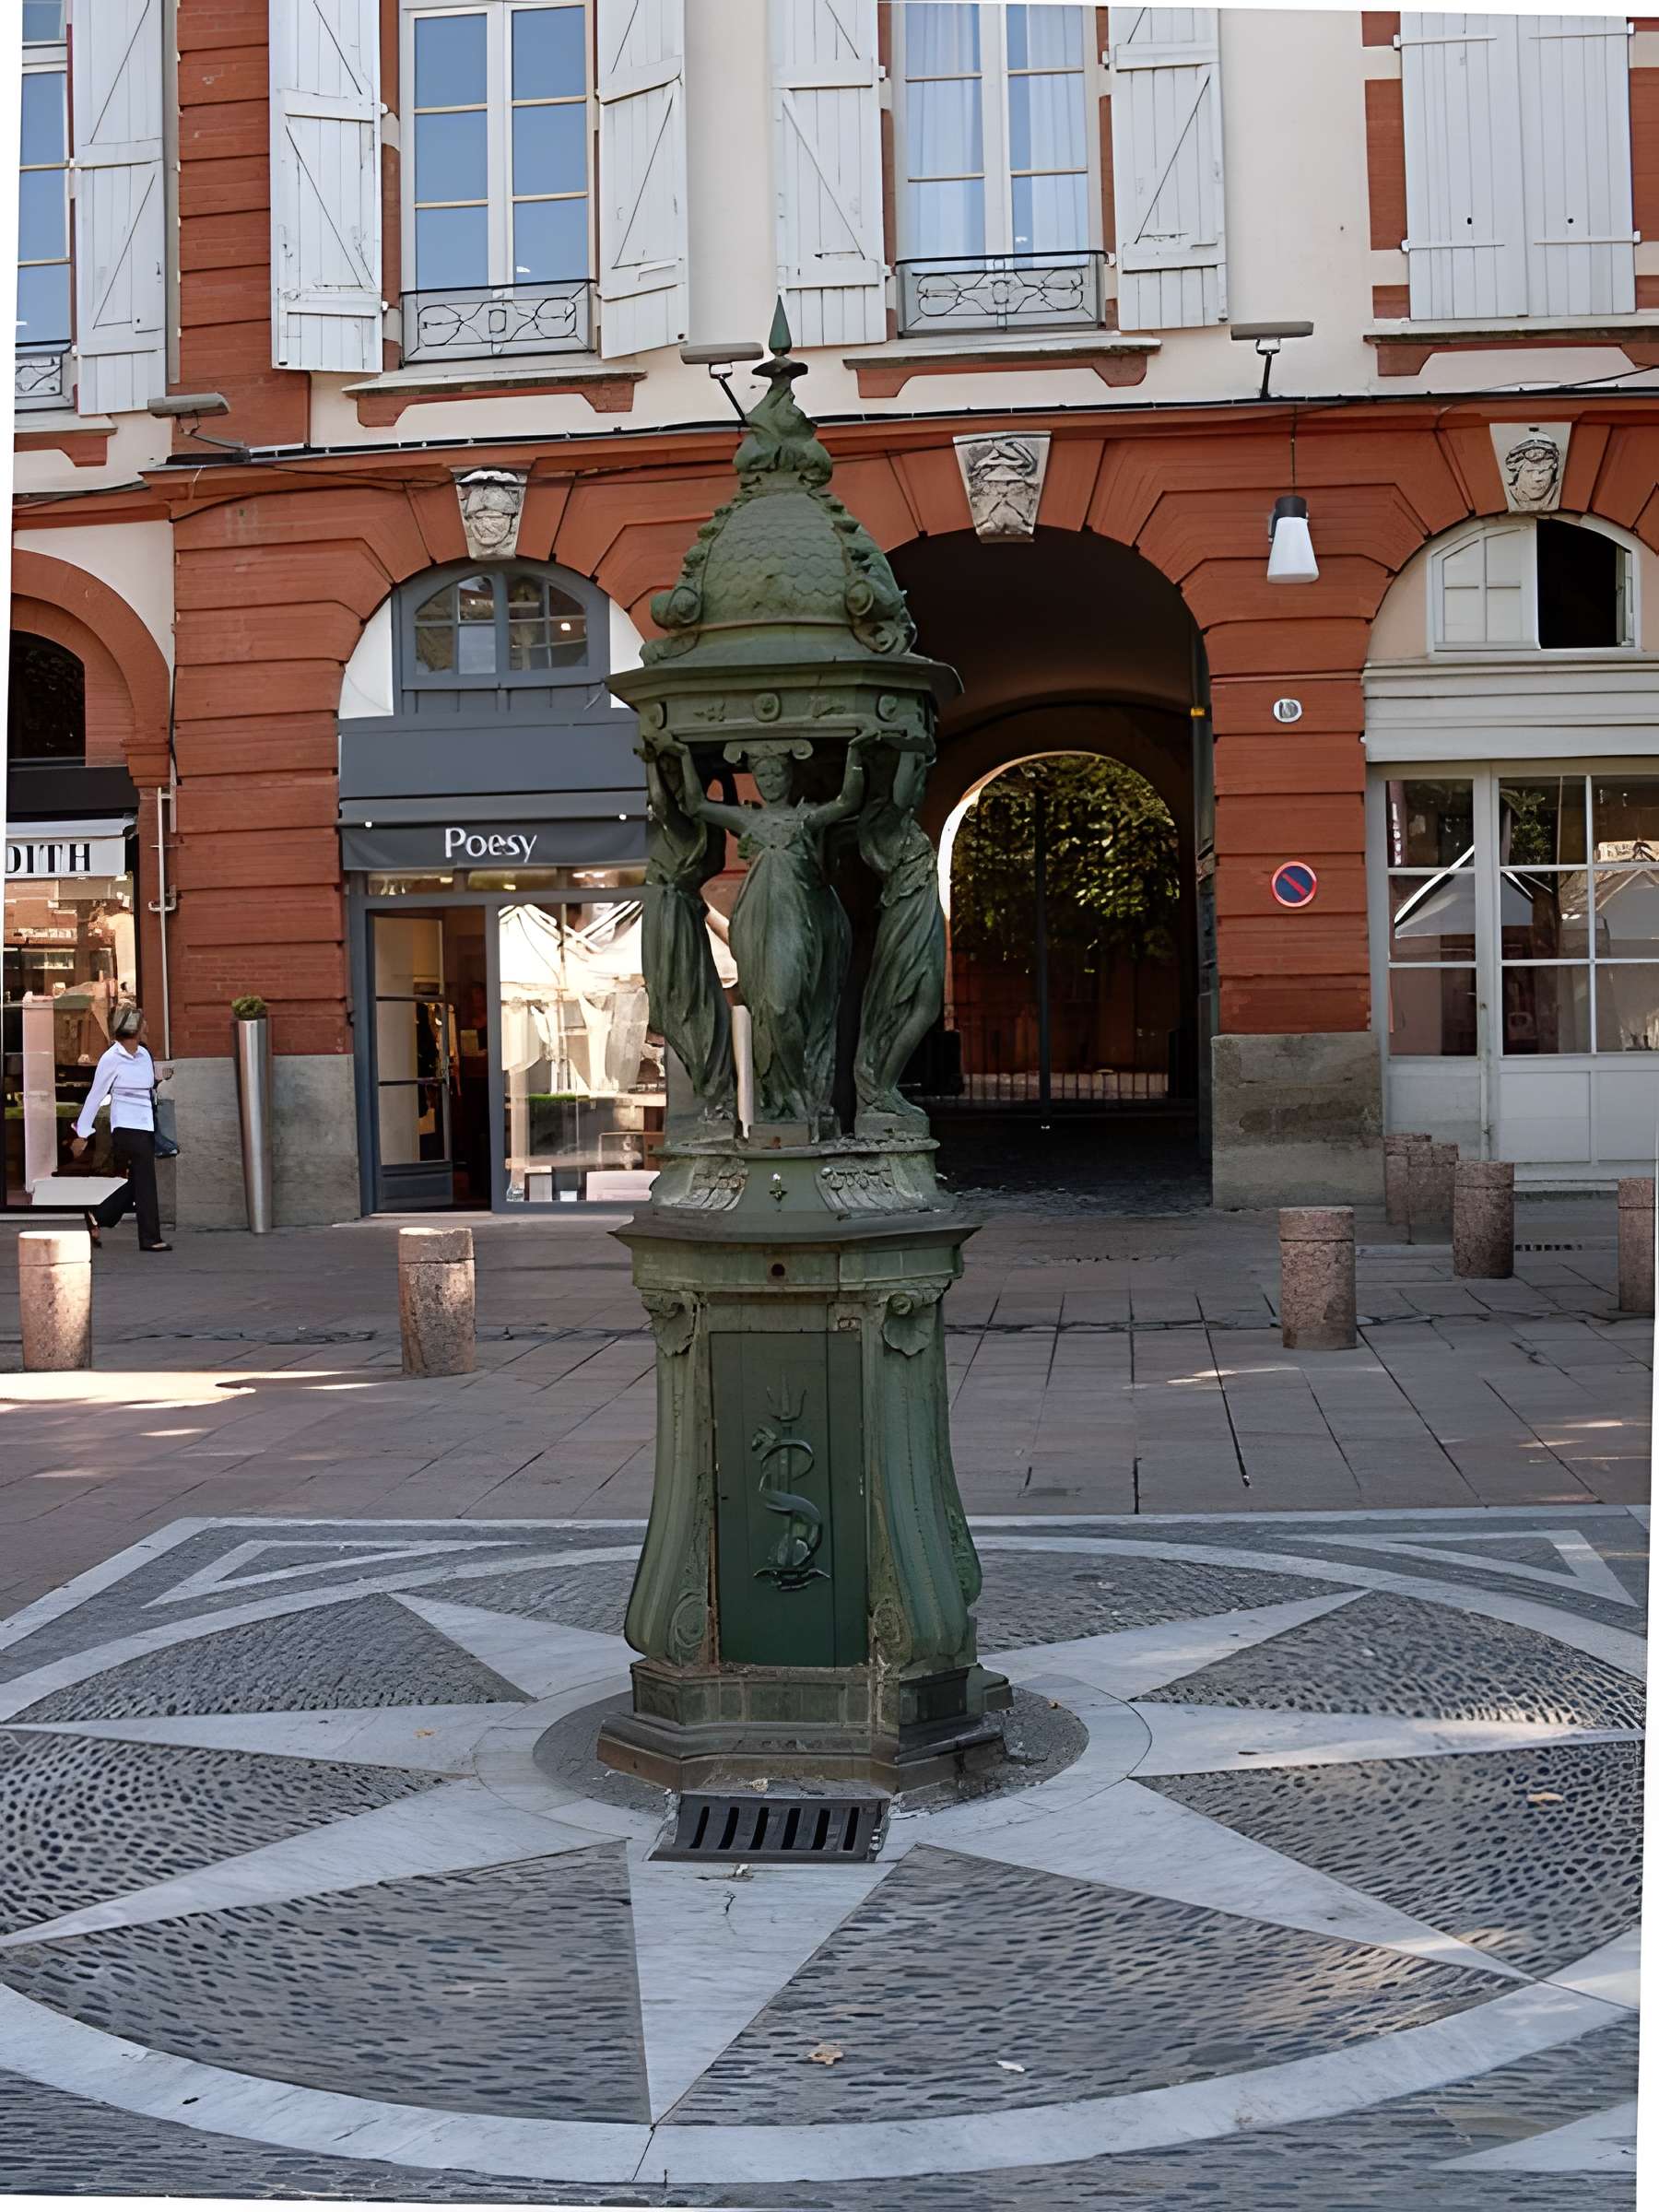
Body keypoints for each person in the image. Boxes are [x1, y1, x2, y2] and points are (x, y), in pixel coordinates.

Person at [69, 1006, 171, 1253]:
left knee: (138, 1181)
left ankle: (98, 1215)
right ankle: (149, 1238)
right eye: (143, 1022)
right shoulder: (111, 1058)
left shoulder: (144, 1055)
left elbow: (148, 1084)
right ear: (134, 1029)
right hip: (126, 1126)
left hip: (146, 1124)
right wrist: (82, 1132)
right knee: (146, 1181)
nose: (146, 1025)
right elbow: (95, 1095)